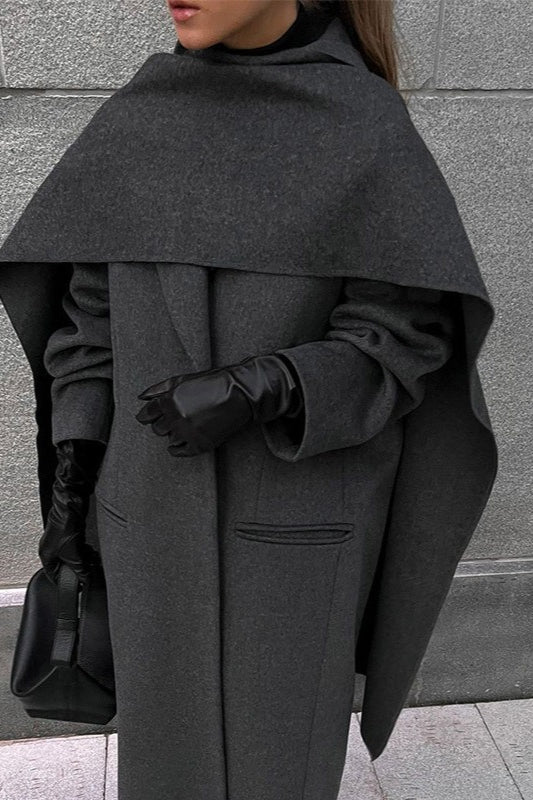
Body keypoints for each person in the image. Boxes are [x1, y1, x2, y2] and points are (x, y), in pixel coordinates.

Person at [0, 2, 498, 799]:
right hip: (145, 522)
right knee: (162, 769)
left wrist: (269, 386)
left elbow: (400, 338)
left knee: (279, 771)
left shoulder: (364, 127)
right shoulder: (142, 116)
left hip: (298, 530)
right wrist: (71, 486)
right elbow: (87, 326)